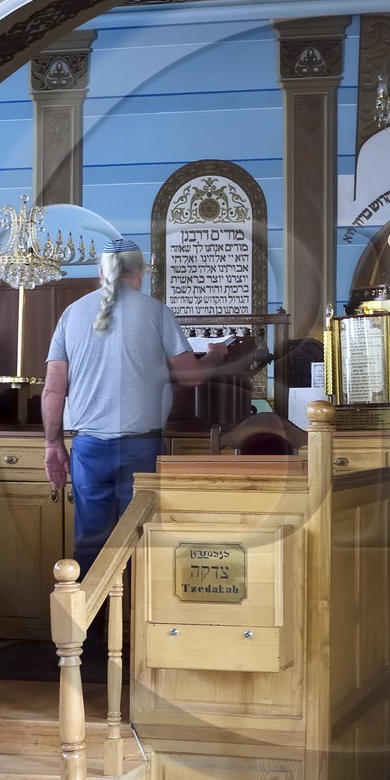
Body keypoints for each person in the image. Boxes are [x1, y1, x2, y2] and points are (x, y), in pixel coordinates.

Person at [42, 238, 239, 571]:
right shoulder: (156, 312)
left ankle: (90, 624)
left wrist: (52, 443)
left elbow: (53, 392)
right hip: (141, 448)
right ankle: (135, 622)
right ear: (141, 272)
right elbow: (190, 377)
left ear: (100, 271)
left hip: (88, 448)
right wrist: (217, 354)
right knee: (141, 542)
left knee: (91, 544)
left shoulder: (71, 314)